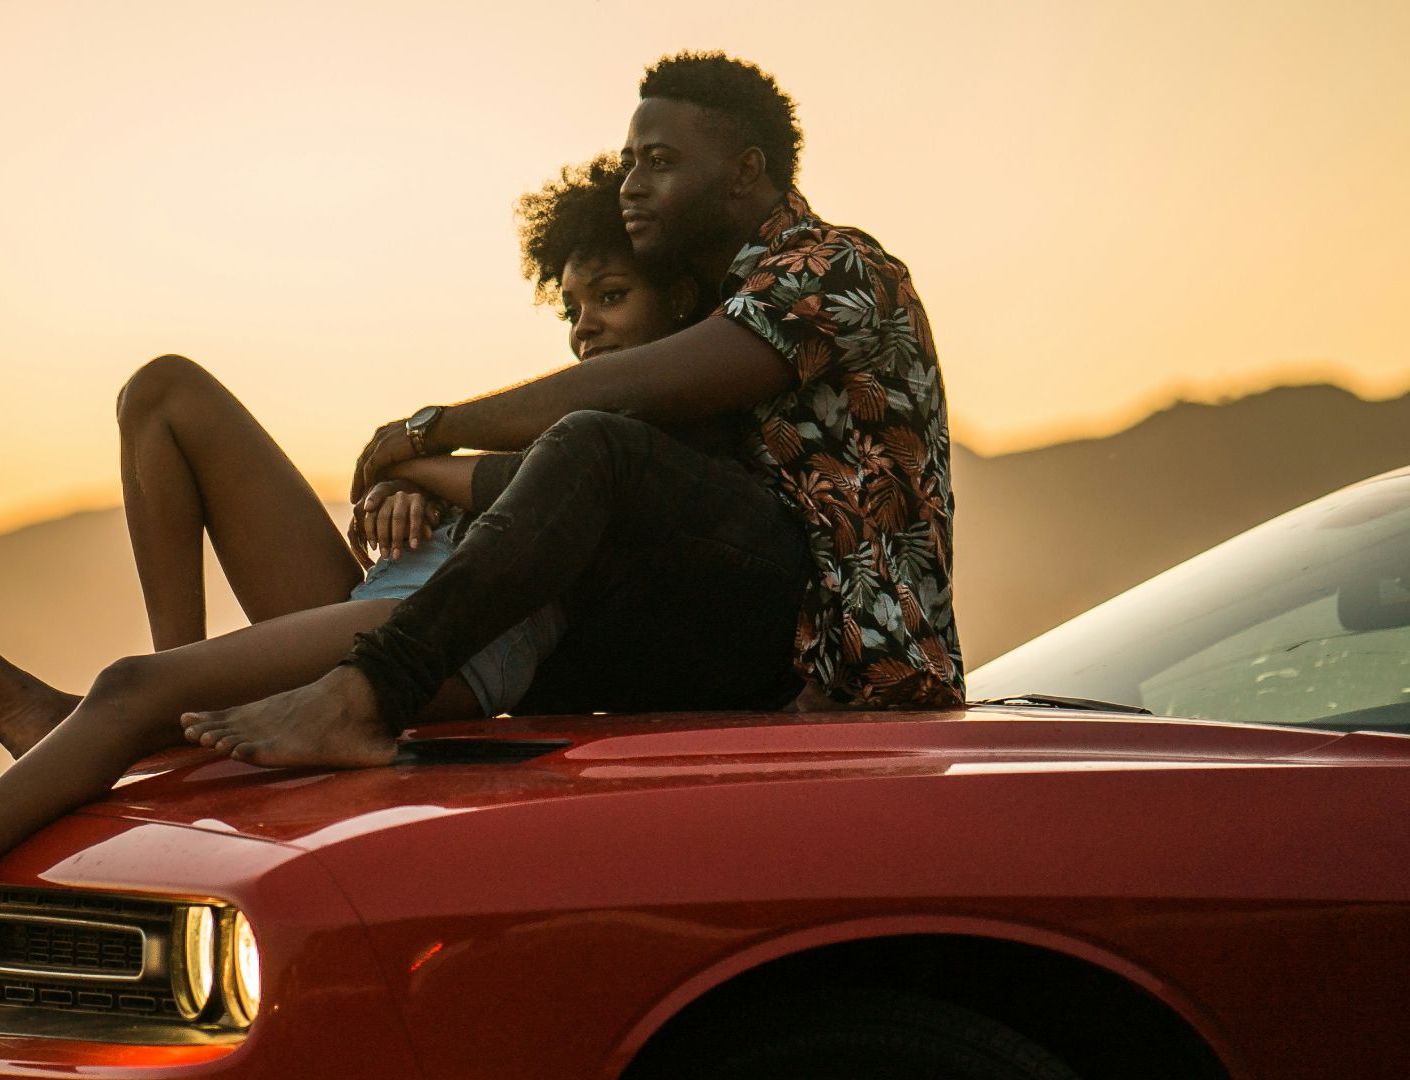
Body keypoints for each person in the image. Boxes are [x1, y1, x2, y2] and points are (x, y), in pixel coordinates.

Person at [0, 156, 702, 962]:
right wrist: (414, 491)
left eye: (612, 298)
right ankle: (153, 713)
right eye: (573, 306)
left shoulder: (663, 433)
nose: (585, 326)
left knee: (130, 685)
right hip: (380, 595)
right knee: (162, 394)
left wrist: (423, 470)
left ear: (681, 307)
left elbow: (555, 496)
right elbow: (482, 485)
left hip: (442, 646)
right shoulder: (561, 417)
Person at [180, 50, 965, 771]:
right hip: (741, 632)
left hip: (860, 661)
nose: (632, 184)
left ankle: (361, 695)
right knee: (542, 590)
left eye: (660, 161)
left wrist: (431, 433)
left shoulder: (835, 267)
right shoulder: (718, 298)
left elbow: (624, 398)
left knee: (596, 446)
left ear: (744, 171)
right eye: (629, 163)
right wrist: (427, 478)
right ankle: (216, 710)